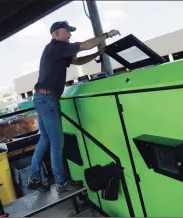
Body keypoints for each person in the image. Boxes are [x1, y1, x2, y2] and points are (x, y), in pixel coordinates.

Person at [28, 21, 120, 193]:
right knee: (57, 143)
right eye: (67, 32)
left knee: (45, 140)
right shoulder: (57, 46)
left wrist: (98, 53)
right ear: (55, 33)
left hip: (41, 98)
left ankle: (34, 178)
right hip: (47, 99)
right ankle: (62, 182)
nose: (70, 35)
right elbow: (84, 45)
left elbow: (77, 61)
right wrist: (106, 35)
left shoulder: (58, 50)